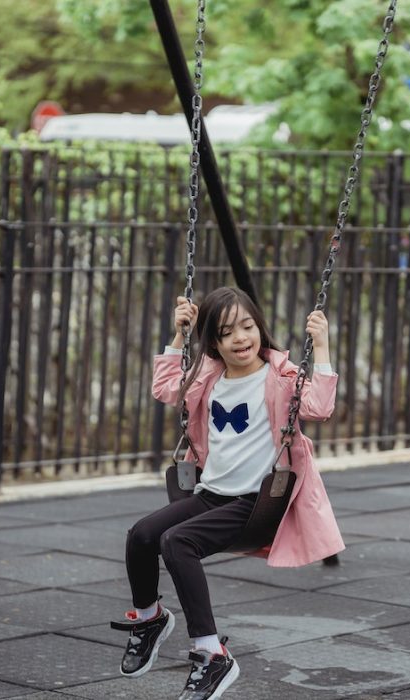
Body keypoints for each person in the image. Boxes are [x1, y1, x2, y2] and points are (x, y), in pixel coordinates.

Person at [111, 287, 344, 700]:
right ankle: (150, 619)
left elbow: (319, 407)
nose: (240, 338)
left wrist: (321, 346)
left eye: (247, 327)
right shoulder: (208, 375)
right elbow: (165, 389)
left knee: (177, 542)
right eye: (226, 332)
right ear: (214, 343)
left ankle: (211, 653)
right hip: (211, 493)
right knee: (142, 535)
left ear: (260, 328)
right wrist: (179, 335)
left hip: (254, 502)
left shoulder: (282, 377)